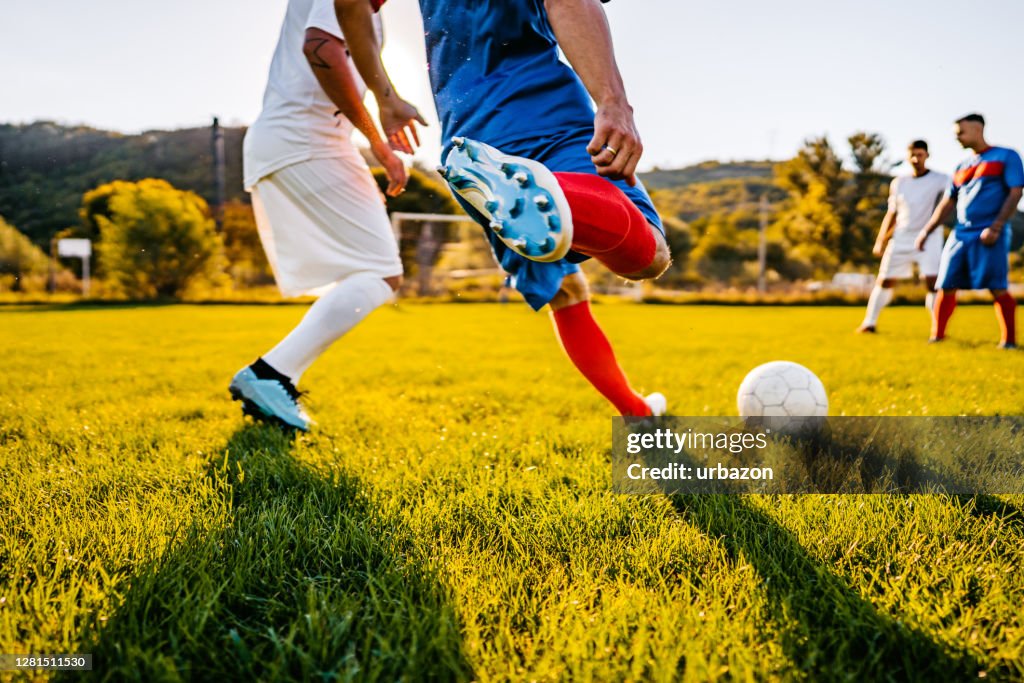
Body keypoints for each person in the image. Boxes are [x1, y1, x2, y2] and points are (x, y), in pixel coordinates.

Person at [335, 0, 670, 417]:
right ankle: (557, 192)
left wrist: (385, 99)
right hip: (548, 115)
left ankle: (636, 411)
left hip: (470, 140)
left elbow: (348, 3)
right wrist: (612, 101)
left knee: (565, 291)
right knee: (648, 256)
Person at [229, 0, 419, 431]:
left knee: (374, 272)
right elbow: (321, 47)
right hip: (302, 140)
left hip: (314, 142)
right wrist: (380, 140)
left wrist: (377, 146)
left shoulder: (372, 14)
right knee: (380, 272)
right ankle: (269, 374)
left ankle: (278, 377)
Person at [915, 114, 1023, 348]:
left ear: (977, 129)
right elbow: (948, 202)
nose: (957, 138)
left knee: (997, 286)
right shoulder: (962, 166)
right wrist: (926, 230)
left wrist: (996, 226)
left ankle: (1009, 341)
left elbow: (1016, 192)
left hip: (990, 233)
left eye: (960, 133)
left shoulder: (1006, 156)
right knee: (945, 285)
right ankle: (938, 336)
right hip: (960, 233)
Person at [857, 140, 949, 333]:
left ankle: (937, 329)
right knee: (885, 279)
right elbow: (892, 213)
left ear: (927, 155)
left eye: (920, 155)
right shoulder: (899, 182)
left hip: (929, 237)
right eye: (913, 155)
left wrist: (930, 229)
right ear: (908, 157)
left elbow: (946, 206)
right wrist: (881, 239)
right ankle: (869, 323)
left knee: (932, 282)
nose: (916, 159)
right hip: (901, 237)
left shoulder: (941, 179)